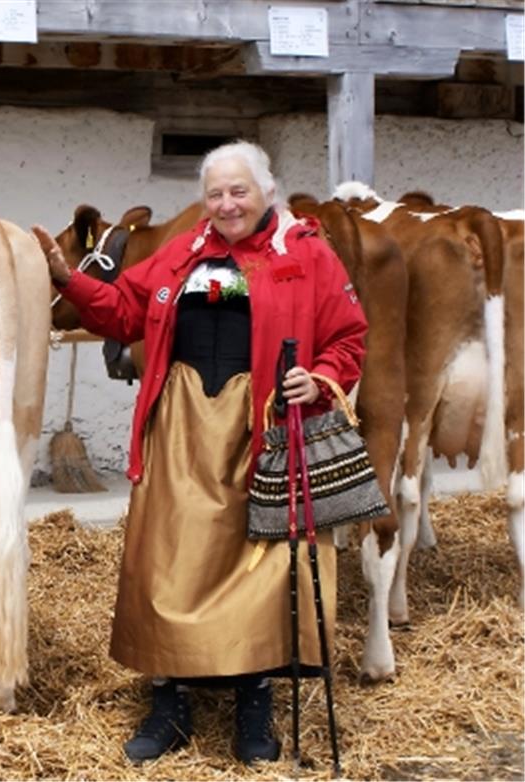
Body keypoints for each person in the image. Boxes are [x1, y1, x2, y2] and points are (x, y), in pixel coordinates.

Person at [31, 140, 367, 765]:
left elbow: (349, 337)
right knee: (170, 557)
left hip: (260, 427)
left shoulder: (306, 253)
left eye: (239, 191)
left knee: (259, 562)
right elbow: (122, 310)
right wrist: (66, 277)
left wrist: (320, 378)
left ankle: (254, 700)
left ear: (267, 190)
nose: (227, 204)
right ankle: (170, 700)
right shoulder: (182, 254)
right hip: (181, 424)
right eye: (215, 194)